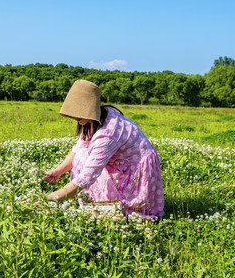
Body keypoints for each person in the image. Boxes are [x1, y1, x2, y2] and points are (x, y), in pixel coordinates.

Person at [42, 79, 165, 220]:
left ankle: (108, 207)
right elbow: (79, 148)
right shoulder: (96, 119)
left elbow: (88, 176)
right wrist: (58, 171)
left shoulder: (107, 133)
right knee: (82, 156)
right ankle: (99, 204)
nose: (76, 116)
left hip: (136, 168)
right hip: (121, 163)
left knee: (87, 165)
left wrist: (51, 199)